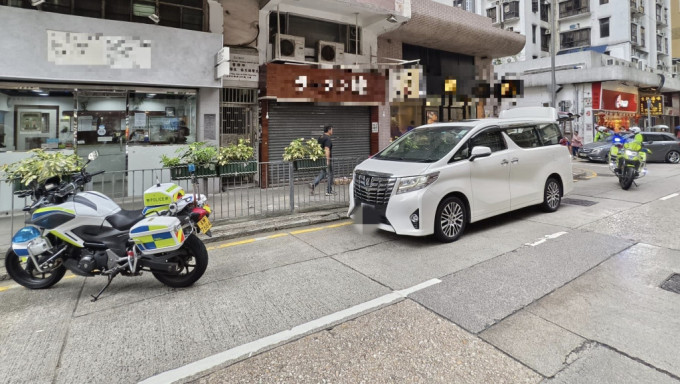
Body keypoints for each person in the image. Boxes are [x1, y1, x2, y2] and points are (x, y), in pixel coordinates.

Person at [309, 125, 336, 196]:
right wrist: (327, 160)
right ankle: (329, 191)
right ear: (329, 130)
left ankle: (313, 184)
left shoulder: (321, 137)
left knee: (323, 173)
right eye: (332, 130)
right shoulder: (327, 139)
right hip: (326, 159)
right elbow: (326, 149)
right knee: (330, 174)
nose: (332, 131)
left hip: (321, 159)